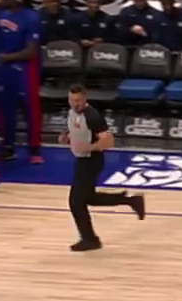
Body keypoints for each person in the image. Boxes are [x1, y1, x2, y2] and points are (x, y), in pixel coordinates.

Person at [59, 84, 145, 252]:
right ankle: (130, 200)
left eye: (78, 100)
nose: (75, 103)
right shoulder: (73, 113)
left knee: (76, 202)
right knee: (88, 198)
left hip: (92, 161)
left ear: (85, 99)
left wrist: (89, 147)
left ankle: (90, 239)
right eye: (72, 100)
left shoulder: (93, 116)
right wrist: (66, 137)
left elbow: (108, 141)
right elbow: (77, 131)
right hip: (82, 160)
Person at [0, 0, 43, 165]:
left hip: (25, 69)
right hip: (4, 68)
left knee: (30, 109)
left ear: (13, 0)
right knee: (5, 110)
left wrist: (7, 57)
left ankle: (34, 149)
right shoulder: (2, 15)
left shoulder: (31, 17)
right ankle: (7, 148)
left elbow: (31, 51)